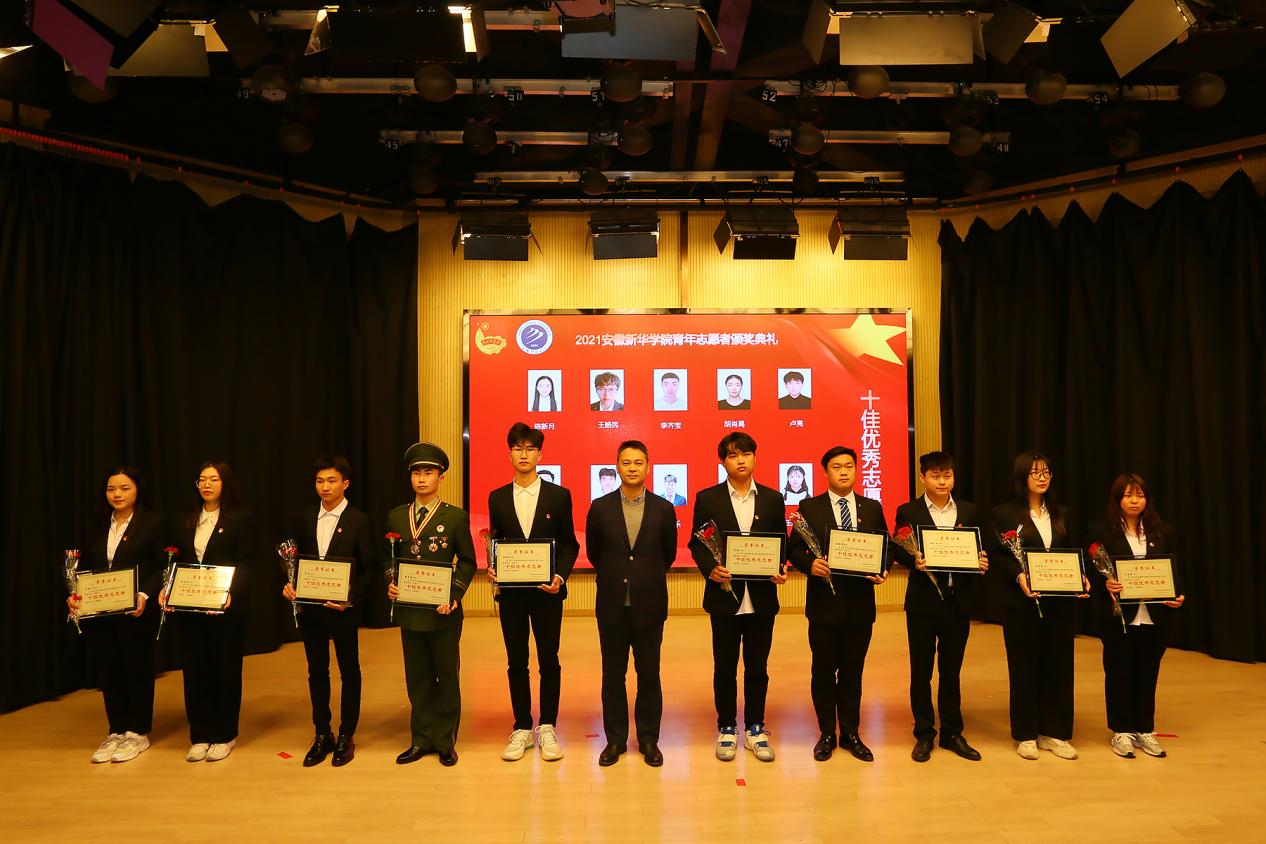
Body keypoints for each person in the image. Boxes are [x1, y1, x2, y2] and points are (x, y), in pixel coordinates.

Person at [688, 433, 788, 763]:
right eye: (733, 455)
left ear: (755, 457)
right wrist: (710, 569)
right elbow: (697, 543)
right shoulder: (708, 498)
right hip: (724, 596)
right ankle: (727, 726)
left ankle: (756, 727)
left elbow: (780, 543)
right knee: (725, 667)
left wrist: (781, 568)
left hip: (761, 597)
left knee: (758, 667)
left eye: (746, 453)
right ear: (723, 462)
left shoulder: (773, 498)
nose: (740, 460)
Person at [787, 446, 890, 763]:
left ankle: (851, 733)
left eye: (849, 466)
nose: (844, 471)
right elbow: (794, 550)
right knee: (823, 671)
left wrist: (883, 569)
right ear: (825, 472)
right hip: (824, 605)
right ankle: (826, 734)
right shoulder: (809, 507)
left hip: (860, 605)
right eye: (836, 467)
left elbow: (884, 546)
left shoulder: (871, 507)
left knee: (852, 672)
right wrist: (810, 565)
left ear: (856, 470)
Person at [487, 423, 580, 762]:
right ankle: (522, 727)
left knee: (549, 659)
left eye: (529, 449)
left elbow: (569, 544)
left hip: (547, 592)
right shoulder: (497, 497)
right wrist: (493, 567)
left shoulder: (558, 495)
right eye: (517, 448)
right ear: (509, 454)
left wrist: (560, 576)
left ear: (540, 455)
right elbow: (496, 542)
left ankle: (548, 726)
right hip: (511, 594)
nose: (523, 454)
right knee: (516, 661)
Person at [989, 451, 1090, 761]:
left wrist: (1080, 577)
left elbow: (1072, 553)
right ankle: (1026, 734)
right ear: (1022, 477)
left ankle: (1055, 732)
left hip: (1060, 604)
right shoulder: (1004, 513)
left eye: (1047, 472)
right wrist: (1019, 576)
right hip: (1021, 604)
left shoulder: (1062, 513)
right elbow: (997, 555)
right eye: (1035, 473)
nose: (1042, 478)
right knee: (1024, 667)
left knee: (1059, 666)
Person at [892, 451, 989, 763]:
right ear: (923, 478)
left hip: (957, 602)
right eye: (935, 476)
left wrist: (981, 561)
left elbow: (979, 547)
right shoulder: (909, 510)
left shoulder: (969, 510)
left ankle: (952, 732)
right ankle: (923, 732)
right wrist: (914, 560)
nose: (942, 481)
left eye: (947, 475)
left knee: (951, 671)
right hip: (922, 603)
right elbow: (897, 548)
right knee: (921, 671)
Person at [585, 440, 677, 767]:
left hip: (649, 604)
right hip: (612, 604)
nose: (633, 468)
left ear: (648, 467)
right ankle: (615, 740)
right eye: (626, 462)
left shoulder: (664, 509)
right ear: (617, 467)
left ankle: (649, 739)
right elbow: (595, 553)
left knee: (649, 674)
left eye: (638, 462)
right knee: (613, 676)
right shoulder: (600, 507)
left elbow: (668, 555)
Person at [280, 456, 376, 768]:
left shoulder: (360, 521)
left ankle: (347, 733)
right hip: (311, 610)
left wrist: (351, 598)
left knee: (349, 670)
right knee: (316, 670)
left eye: (332, 481)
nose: (325, 487)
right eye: (320, 481)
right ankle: (322, 732)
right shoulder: (304, 518)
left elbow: (370, 569)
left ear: (345, 484)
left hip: (343, 610)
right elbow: (294, 562)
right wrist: (290, 584)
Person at [387, 443, 477, 768]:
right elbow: (388, 559)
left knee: (446, 676)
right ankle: (420, 738)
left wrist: (453, 595)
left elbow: (467, 561)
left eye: (428, 472)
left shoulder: (454, 516)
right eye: (416, 473)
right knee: (418, 677)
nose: (422, 479)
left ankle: (444, 740)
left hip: (443, 611)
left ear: (441, 477)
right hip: (411, 610)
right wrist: (391, 582)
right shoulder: (397, 516)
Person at [69, 466, 165, 764]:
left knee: (137, 668)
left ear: (137, 490)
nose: (117, 494)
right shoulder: (97, 525)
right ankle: (116, 730)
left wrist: (144, 594)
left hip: (136, 610)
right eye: (111, 489)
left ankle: (137, 732)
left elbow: (161, 566)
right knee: (109, 670)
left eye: (124, 488)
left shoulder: (153, 523)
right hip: (102, 612)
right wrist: (76, 594)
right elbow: (85, 567)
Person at [160, 460, 254, 763]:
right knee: (195, 671)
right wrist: (167, 587)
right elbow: (174, 560)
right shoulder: (184, 519)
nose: (207, 485)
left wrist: (230, 593)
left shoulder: (240, 518)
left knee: (225, 670)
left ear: (225, 483)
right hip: (190, 608)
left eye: (213, 479)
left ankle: (225, 735)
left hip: (225, 608)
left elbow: (247, 562)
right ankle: (199, 734)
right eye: (202, 479)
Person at [1087, 474, 1185, 759]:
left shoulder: (1162, 532)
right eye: (1128, 495)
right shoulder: (1102, 532)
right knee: (1118, 672)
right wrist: (1106, 583)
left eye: (1140, 495)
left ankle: (1144, 729)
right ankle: (1121, 730)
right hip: (1120, 616)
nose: (1134, 501)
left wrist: (1178, 594)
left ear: (1147, 499)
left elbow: (1175, 570)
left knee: (1148, 671)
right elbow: (1091, 570)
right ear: (1117, 499)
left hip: (1155, 616)